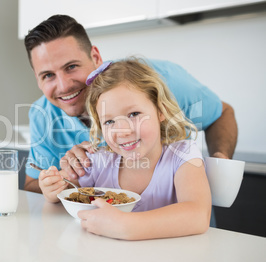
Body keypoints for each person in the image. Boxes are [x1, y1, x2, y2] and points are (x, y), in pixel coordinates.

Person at [23, 14, 237, 193]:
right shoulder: (42, 113)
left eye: (71, 67)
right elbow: (33, 186)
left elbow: (222, 113)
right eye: (48, 75)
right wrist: (63, 179)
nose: (63, 86)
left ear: (95, 57)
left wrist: (221, 161)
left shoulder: (157, 82)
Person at [39, 58, 211, 240]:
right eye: (109, 121)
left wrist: (127, 226)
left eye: (134, 114)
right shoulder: (99, 161)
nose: (123, 130)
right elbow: (67, 189)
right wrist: (53, 189)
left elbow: (198, 215)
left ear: (161, 110)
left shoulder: (182, 155)